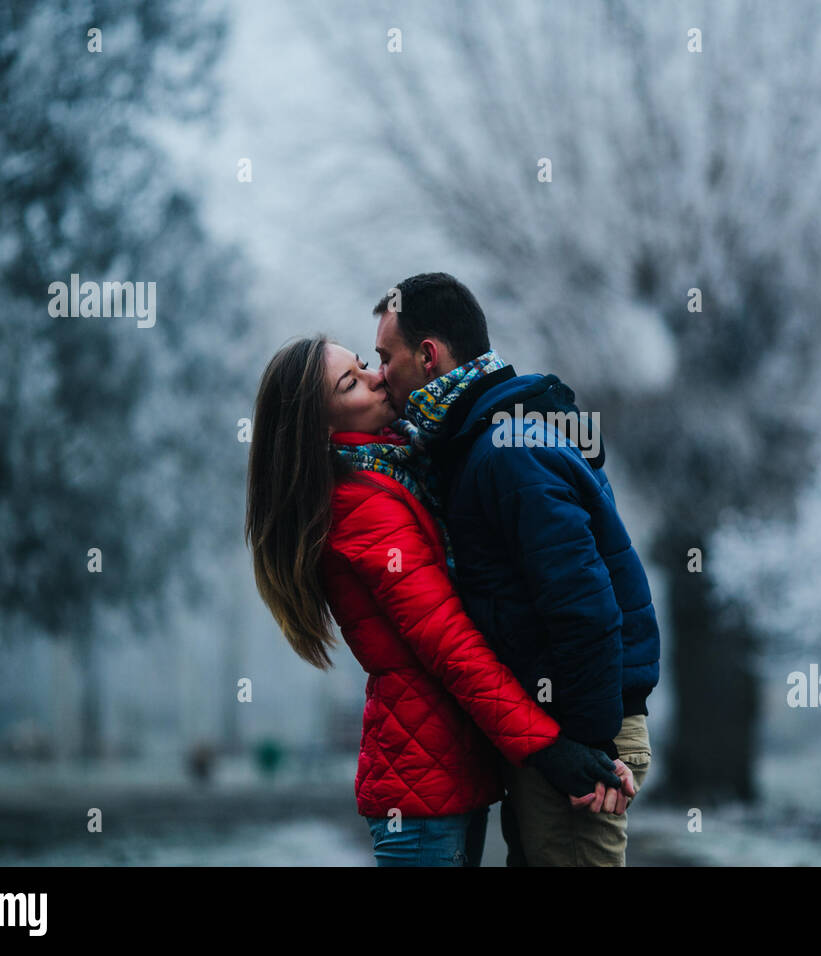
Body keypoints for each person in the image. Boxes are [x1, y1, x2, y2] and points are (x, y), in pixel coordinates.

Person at [244, 335, 633, 867]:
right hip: (422, 791)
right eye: (352, 383)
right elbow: (450, 642)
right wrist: (547, 747)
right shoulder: (362, 506)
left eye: (364, 364)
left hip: (444, 774)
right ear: (320, 428)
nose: (378, 377)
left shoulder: (395, 472)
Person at [372, 273, 661, 867]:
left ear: (428, 356)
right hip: (563, 730)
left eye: (384, 357)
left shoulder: (507, 450)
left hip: (583, 735)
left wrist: (582, 749)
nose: (380, 376)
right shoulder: (482, 439)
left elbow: (582, 604)